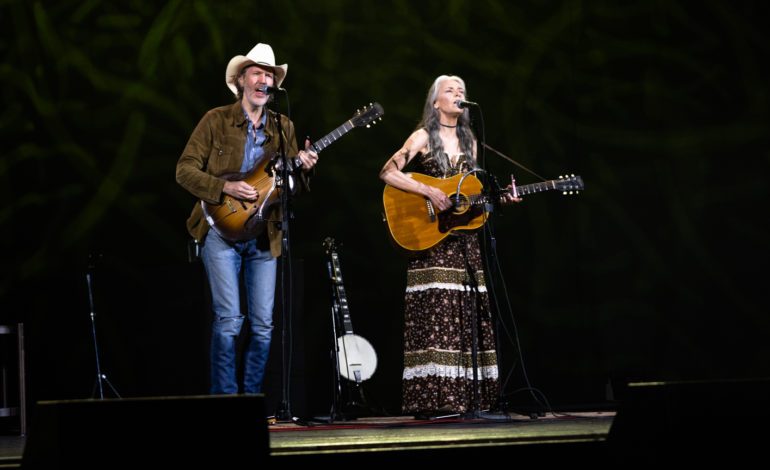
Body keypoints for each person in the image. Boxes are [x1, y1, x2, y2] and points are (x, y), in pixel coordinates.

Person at [176, 43, 318, 394]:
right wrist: (225, 187)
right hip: (220, 230)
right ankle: (226, 402)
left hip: (264, 234)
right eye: (256, 73)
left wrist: (304, 169)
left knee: (263, 325)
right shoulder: (216, 120)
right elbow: (184, 171)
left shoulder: (283, 127)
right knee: (229, 320)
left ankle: (251, 400)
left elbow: (290, 189)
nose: (263, 80)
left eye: (268, 75)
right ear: (241, 80)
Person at [379, 75, 520, 417]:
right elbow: (388, 171)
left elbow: (471, 194)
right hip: (431, 240)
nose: (458, 94)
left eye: (462, 91)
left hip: (464, 242)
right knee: (437, 314)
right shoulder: (422, 136)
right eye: (450, 90)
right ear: (435, 102)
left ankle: (468, 397)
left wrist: (502, 199)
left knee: (466, 312)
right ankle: (434, 398)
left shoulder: (471, 142)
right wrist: (428, 190)